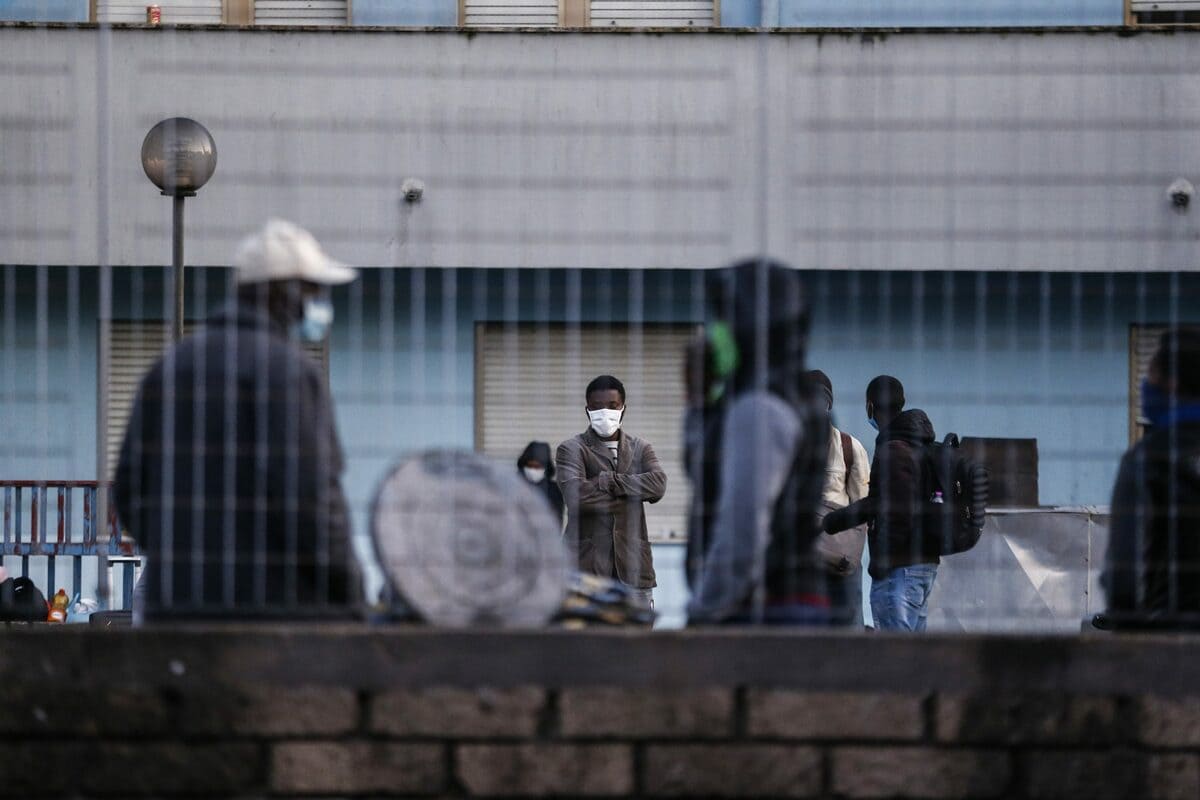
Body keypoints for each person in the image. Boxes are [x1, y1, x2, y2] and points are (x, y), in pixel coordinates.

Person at [114, 219, 363, 620]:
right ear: (286, 295)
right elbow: (313, 501)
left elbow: (129, 489)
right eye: (315, 290)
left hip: (177, 612)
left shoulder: (169, 368)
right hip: (270, 620)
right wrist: (351, 596)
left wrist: (180, 557)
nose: (320, 302)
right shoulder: (288, 372)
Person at [686, 259, 831, 625]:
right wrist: (700, 402)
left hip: (763, 611)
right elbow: (707, 476)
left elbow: (743, 526)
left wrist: (704, 611)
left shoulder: (759, 408)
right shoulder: (794, 395)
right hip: (782, 604)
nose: (713, 333)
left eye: (722, 321)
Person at [822, 375, 939, 632]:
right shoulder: (920, 443)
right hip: (921, 565)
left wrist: (834, 521)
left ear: (871, 406)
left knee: (895, 655)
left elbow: (885, 504)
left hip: (899, 568)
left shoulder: (893, 449)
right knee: (914, 656)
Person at [1102, 327, 1200, 629]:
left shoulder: (1146, 461)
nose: (1147, 384)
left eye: (1153, 374)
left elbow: (1124, 580)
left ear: (1172, 383)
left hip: (1173, 646)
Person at [556, 375, 666, 608]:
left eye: (612, 406)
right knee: (586, 641)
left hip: (635, 568)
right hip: (586, 570)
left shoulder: (640, 448)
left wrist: (610, 481)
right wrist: (632, 491)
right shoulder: (572, 449)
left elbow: (658, 485)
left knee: (638, 640)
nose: (605, 412)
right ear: (587, 410)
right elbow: (575, 496)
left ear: (623, 409)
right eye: (597, 407)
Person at [807, 370, 871, 627]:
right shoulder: (787, 444)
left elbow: (863, 503)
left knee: (849, 624)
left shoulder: (849, 446)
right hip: (804, 557)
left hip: (840, 557)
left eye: (821, 399)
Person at [517, 440, 564, 520]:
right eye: (530, 466)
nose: (533, 470)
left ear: (546, 468)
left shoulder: (554, 490)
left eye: (538, 467)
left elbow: (557, 520)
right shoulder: (514, 487)